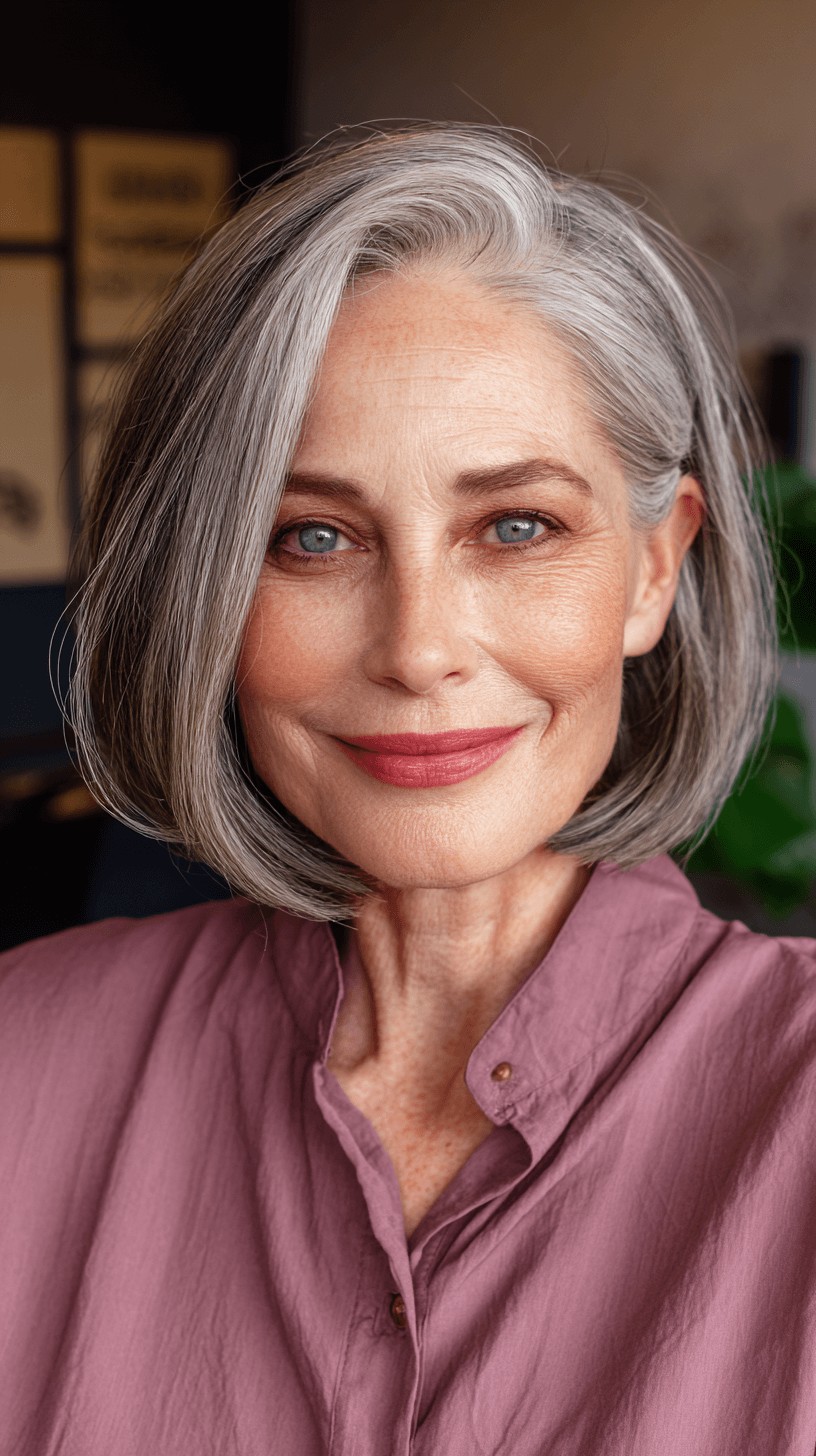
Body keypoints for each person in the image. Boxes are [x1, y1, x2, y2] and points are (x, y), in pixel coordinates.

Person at [1, 122, 812, 1456]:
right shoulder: (22, 1060)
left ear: (654, 571)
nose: (419, 647)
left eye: (516, 526)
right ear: (208, 590)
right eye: (313, 537)